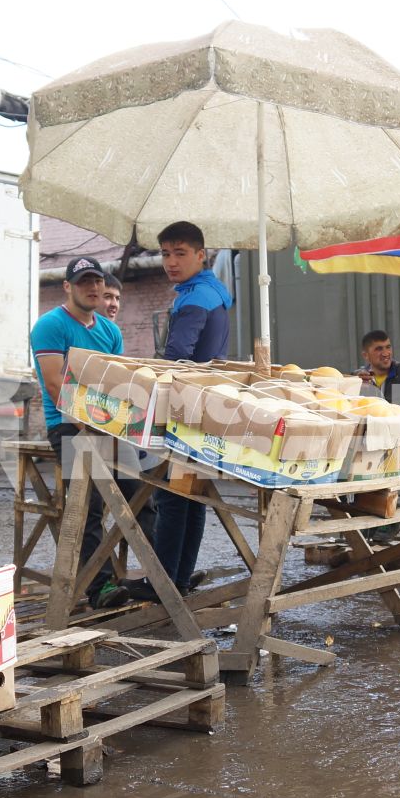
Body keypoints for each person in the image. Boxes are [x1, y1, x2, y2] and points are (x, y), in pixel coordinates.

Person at [31, 256, 135, 611]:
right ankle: (100, 586)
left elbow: (118, 382)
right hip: (67, 425)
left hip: (108, 423)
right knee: (87, 504)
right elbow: (55, 383)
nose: (92, 288)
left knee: (143, 494)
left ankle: (164, 577)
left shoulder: (110, 331)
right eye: (83, 282)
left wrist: (123, 423)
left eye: (96, 282)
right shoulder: (50, 326)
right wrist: (91, 425)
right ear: (67, 287)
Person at [137, 221, 233, 601]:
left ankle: (163, 585)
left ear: (200, 255)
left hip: (184, 407)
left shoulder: (195, 298)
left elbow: (177, 357)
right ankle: (177, 580)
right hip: (205, 405)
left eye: (179, 253)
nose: (170, 262)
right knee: (190, 497)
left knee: (172, 499)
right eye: (164, 254)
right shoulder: (214, 292)